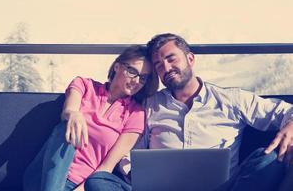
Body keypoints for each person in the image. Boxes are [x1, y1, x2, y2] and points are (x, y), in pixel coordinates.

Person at [117, 33, 293, 191]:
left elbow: (284, 111)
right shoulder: (149, 106)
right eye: (159, 65)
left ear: (190, 59)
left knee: (268, 159)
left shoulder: (231, 99)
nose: (167, 68)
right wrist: (136, 175)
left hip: (226, 188)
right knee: (100, 180)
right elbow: (128, 152)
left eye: (172, 59)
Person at [23, 45, 159, 191]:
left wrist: (81, 189)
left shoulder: (136, 114)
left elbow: (106, 167)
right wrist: (74, 114)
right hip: (43, 176)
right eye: (133, 71)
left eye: (143, 78)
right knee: (67, 126)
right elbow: (69, 110)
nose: (137, 81)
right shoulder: (85, 85)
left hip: (80, 186)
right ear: (117, 66)